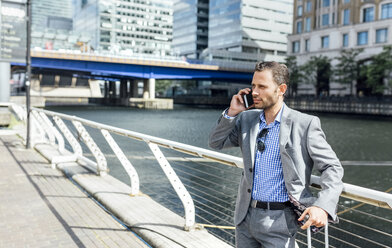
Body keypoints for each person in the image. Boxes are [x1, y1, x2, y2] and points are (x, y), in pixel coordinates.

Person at [209, 61, 344, 248]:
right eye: (253, 86)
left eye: (262, 86)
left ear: (281, 89)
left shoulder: (305, 124)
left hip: (281, 221)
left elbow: (332, 167)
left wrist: (322, 206)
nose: (254, 92)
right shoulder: (247, 119)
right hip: (245, 217)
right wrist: (232, 113)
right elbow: (216, 143)